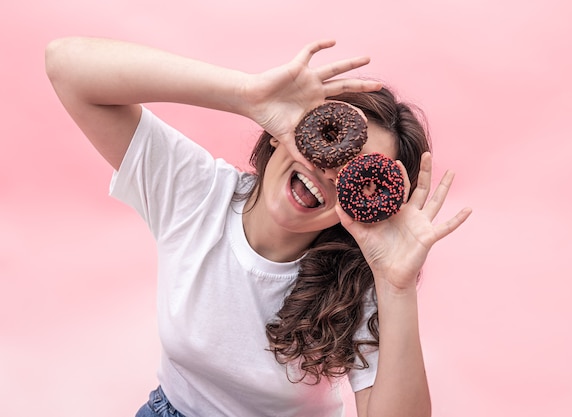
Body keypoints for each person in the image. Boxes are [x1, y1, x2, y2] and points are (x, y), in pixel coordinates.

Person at [45, 36, 471, 417]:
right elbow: (65, 63)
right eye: (324, 141)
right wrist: (244, 94)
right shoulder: (199, 193)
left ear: (369, 207)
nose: (328, 173)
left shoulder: (358, 280)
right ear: (279, 134)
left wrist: (396, 288)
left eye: (355, 175)